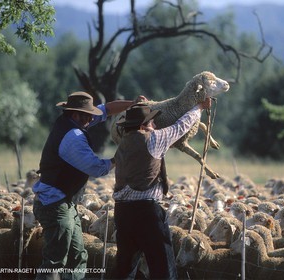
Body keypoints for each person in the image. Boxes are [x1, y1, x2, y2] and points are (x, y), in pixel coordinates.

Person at [32, 91, 141, 280]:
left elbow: (106, 109)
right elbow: (97, 168)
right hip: (55, 204)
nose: (92, 119)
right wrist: (120, 156)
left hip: (63, 202)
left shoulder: (71, 122)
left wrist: (133, 104)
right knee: (55, 262)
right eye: (89, 116)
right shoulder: (73, 137)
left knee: (77, 256)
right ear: (76, 115)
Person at [112, 97, 212, 279]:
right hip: (146, 212)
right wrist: (199, 107)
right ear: (143, 126)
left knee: (124, 267)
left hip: (122, 212)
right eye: (151, 122)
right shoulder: (155, 139)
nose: (155, 125)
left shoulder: (123, 143)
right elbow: (181, 126)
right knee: (162, 267)